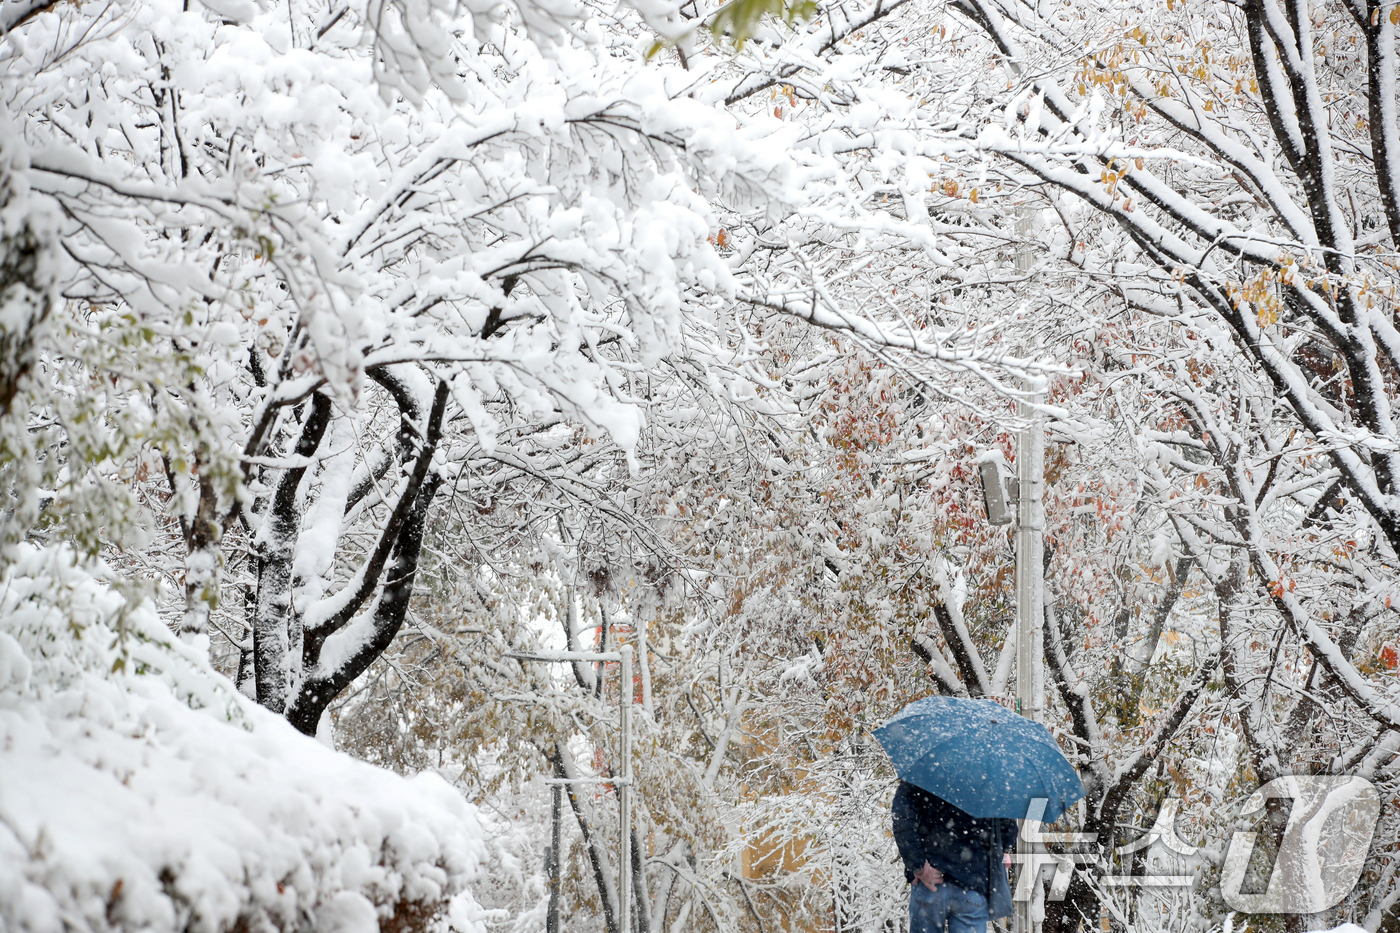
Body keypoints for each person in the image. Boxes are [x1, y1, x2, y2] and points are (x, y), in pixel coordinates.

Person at [892, 781, 1018, 933]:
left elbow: (902, 818)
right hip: (972, 884)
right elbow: (1008, 829)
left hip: (930, 881)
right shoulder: (990, 774)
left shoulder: (924, 769)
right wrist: (1003, 848)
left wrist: (918, 865)